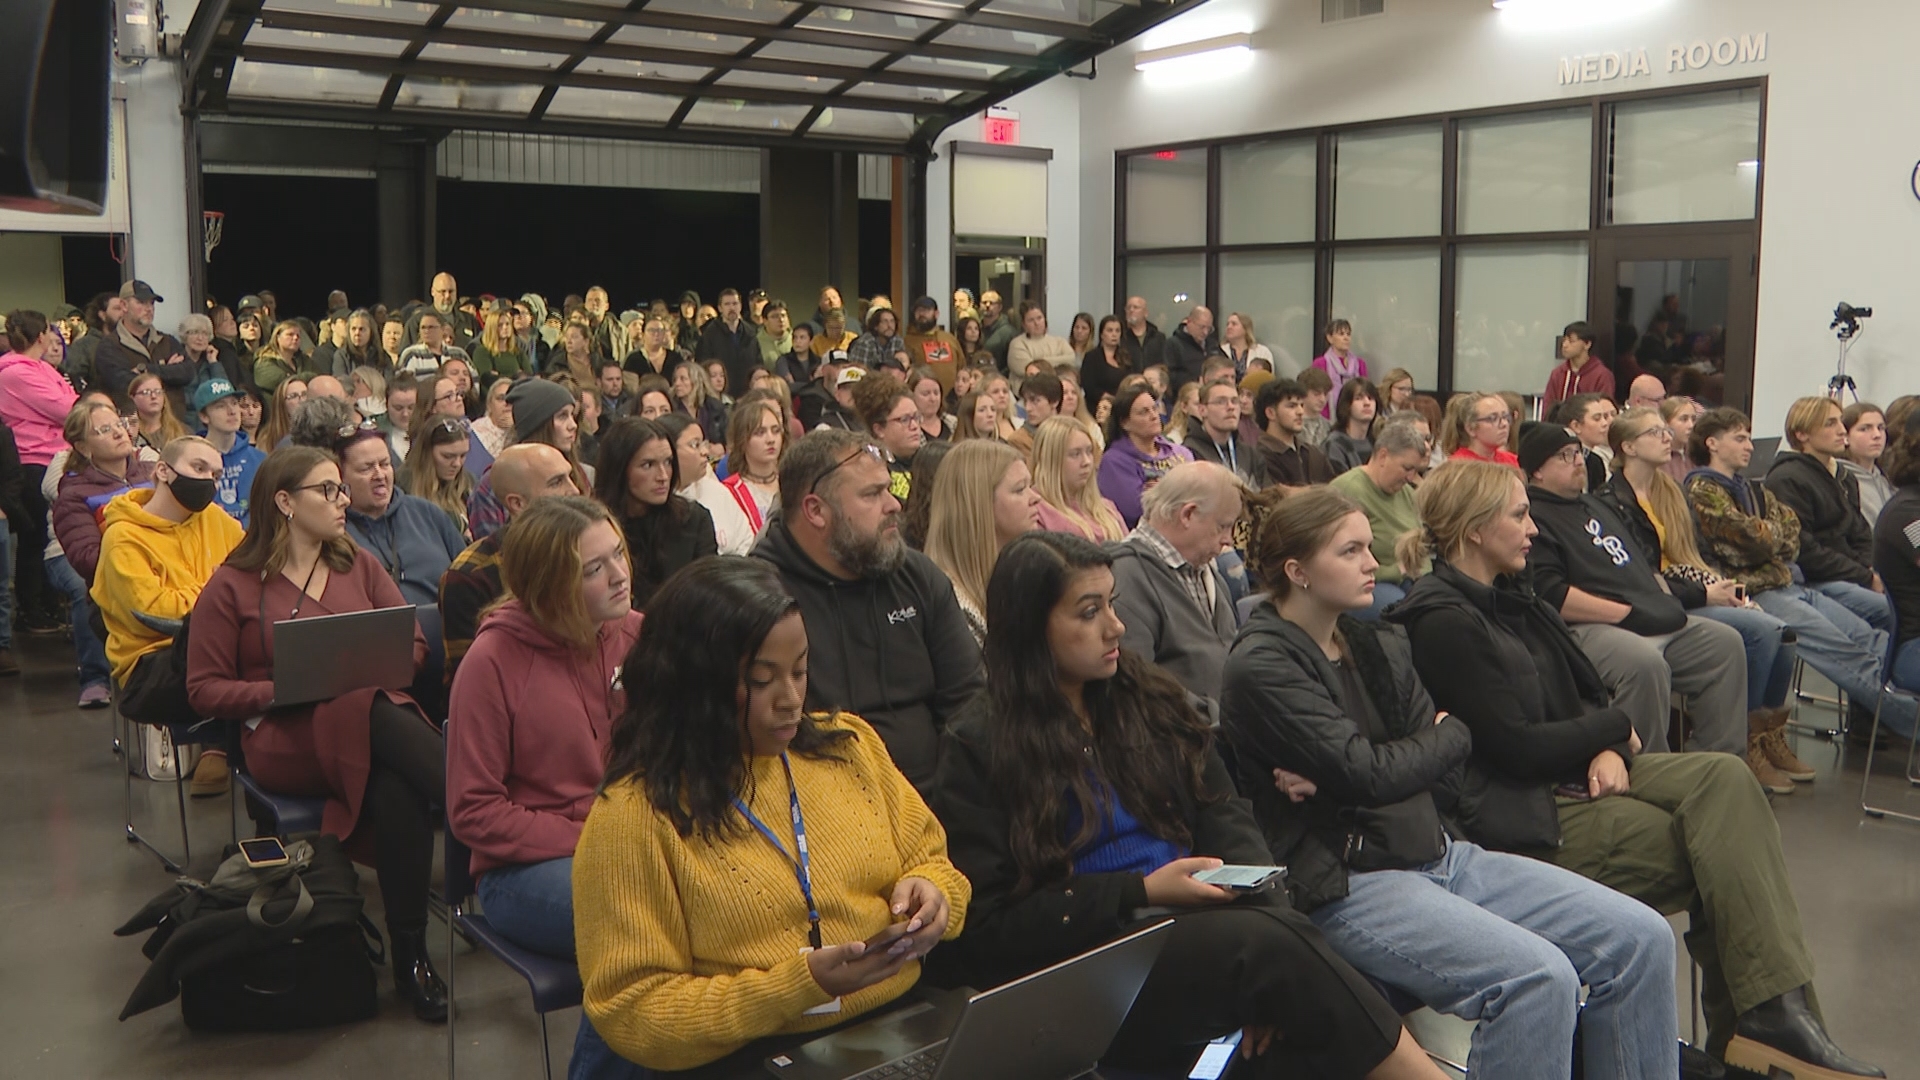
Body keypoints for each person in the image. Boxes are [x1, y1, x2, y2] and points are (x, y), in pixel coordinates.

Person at [1388, 459, 1886, 1079]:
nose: (1534, 530)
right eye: (1519, 515)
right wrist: (1609, 731)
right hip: (1524, 806)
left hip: (1577, 767)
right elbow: (1513, 748)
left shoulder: (1518, 595)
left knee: (1727, 781)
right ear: (1473, 529)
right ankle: (1756, 1035)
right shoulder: (1442, 619)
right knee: (1728, 861)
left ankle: (1768, 1022)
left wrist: (1607, 743)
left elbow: (1593, 691)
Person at [930, 531, 1442, 1080]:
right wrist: (1141, 891)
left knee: (1287, 1015)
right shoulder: (981, 742)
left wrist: (1270, 926)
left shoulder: (1146, 698)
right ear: (1031, 626)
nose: (1115, 627)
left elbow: (1225, 815)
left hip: (1204, 928)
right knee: (1274, 956)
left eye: (1113, 604)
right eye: (1088, 612)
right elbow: (988, 926)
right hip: (1092, 954)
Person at [1223, 487, 1681, 1079]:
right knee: (1537, 978)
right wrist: (1436, 738)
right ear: (1298, 572)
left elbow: (1419, 767)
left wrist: (1384, 761)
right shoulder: (1262, 662)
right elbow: (1378, 770)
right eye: (1352, 550)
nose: (1373, 562)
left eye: (1369, 546)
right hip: (1347, 880)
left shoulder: (1376, 640)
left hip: (1437, 849)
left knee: (1642, 938)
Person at [571, 555, 968, 1072]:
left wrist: (933, 894)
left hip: (899, 1023)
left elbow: (936, 861)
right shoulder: (635, 816)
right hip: (750, 1054)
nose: (792, 700)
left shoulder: (850, 747)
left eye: (800, 670)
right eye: (761, 681)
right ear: (694, 685)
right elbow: (634, 1012)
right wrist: (798, 987)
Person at [186, 446, 448, 1022]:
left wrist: (378, 665)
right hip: (288, 736)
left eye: (340, 489)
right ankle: (469, 800)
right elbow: (203, 689)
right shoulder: (231, 585)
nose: (343, 500)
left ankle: (411, 956)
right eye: (327, 490)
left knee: (396, 786)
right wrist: (280, 690)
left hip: (373, 724)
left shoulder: (359, 564)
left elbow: (415, 644)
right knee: (373, 710)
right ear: (284, 502)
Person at [753, 430, 983, 792]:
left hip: (939, 797)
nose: (894, 505)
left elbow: (968, 705)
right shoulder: (761, 597)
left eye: (888, 489)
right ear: (816, 511)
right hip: (824, 805)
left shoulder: (917, 576)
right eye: (872, 494)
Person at [1599, 407, 1807, 789]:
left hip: (1689, 584)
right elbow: (1638, 573)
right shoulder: (1609, 501)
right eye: (1655, 432)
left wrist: (1716, 584)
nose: (1667, 437)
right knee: (1760, 631)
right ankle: (1742, 741)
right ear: (1627, 445)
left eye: (1666, 430)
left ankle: (1760, 736)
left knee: (1784, 635)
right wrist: (1704, 591)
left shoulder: (1670, 492)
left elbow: (1696, 553)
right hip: (1663, 595)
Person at [1516, 422, 1748, 758]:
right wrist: (1627, 614)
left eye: (1578, 452)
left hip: (1646, 613)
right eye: (1565, 456)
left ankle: (1716, 763)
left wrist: (1665, 600)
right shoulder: (1534, 516)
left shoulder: (1596, 505)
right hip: (1586, 626)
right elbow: (1552, 595)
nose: (1578, 461)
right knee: (1643, 664)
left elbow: (1642, 565)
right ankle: (1649, 772)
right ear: (1537, 469)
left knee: (1724, 644)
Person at [1688, 408, 1913, 744]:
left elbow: (1789, 531)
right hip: (1756, 592)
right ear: (1712, 443)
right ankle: (1911, 722)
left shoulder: (1751, 488)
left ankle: (1895, 709)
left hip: (1788, 582)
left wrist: (1769, 538)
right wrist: (1770, 538)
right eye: (1739, 438)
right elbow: (1751, 539)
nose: (1750, 445)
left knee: (1870, 637)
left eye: (1749, 437)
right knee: (1845, 653)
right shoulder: (1702, 490)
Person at [92, 435, 241, 794]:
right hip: (150, 668)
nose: (208, 481)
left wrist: (209, 596)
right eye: (199, 468)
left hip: (215, 651)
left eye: (216, 475)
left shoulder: (215, 520)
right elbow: (151, 610)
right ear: (163, 471)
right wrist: (218, 591)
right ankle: (224, 747)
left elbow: (252, 574)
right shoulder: (122, 537)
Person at [437, 443, 582, 688]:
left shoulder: (593, 551)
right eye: (557, 482)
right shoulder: (470, 576)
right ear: (517, 503)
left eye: (571, 477)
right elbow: (474, 685)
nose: (575, 491)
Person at [1108, 462, 1241, 710]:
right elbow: (1136, 685)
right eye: (1222, 526)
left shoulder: (1206, 569)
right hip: (1182, 737)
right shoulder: (1125, 576)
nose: (1228, 540)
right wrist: (1211, 717)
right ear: (1187, 515)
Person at [1765, 396, 1895, 641]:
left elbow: (1860, 534)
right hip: (1816, 580)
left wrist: (1870, 568)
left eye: (1840, 422)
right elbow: (1805, 550)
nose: (1841, 430)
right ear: (1802, 434)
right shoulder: (1787, 479)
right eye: (1830, 423)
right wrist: (1865, 577)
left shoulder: (1843, 476)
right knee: (1894, 610)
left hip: (1853, 573)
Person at [51, 399, 152, 707]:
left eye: (120, 425)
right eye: (104, 430)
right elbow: (88, 559)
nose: (119, 433)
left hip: (173, 582)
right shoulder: (73, 496)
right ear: (82, 447)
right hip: (117, 597)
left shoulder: (155, 472)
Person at [0, 309, 80, 631]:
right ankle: (30, 610)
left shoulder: (42, 369)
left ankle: (48, 605)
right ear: (40, 337)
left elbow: (72, 405)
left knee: (51, 534)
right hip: (32, 459)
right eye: (49, 331)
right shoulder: (14, 373)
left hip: (56, 458)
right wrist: (69, 407)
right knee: (35, 537)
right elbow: (69, 409)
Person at [594, 417, 719, 611]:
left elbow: (709, 597)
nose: (663, 476)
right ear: (620, 469)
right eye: (647, 465)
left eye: (668, 462)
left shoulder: (693, 520)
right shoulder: (597, 529)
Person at [923, 440, 1041, 645]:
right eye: (1020, 489)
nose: (1035, 498)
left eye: (1030, 486)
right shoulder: (947, 606)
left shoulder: (1020, 576)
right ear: (980, 504)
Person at [337, 426, 467, 609]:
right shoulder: (334, 529)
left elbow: (470, 578)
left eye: (385, 464)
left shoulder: (427, 513)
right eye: (366, 468)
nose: (380, 475)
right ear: (341, 477)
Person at [1328, 419, 1429, 619]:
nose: (1411, 477)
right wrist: (1396, 571)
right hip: (1368, 583)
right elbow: (1338, 559)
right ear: (1383, 456)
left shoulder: (1407, 493)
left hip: (1412, 579)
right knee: (1401, 611)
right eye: (1406, 468)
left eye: (1415, 471)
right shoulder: (1347, 491)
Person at [466, 378, 590, 541]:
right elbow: (491, 552)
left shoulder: (576, 472)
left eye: (573, 416)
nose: (573, 425)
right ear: (539, 424)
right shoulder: (493, 485)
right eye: (562, 416)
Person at [1097, 379, 1195, 530]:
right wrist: (1179, 489)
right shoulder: (1114, 461)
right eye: (1144, 412)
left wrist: (1158, 489)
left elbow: (1200, 494)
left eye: (1154, 408)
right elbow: (1136, 510)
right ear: (1125, 423)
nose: (1153, 416)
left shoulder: (1180, 452)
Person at [1029, 416, 1126, 544]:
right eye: (1075, 454)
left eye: (1089, 451)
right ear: (1051, 460)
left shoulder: (1107, 508)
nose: (1087, 462)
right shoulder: (1035, 512)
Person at [192, 378, 265, 527]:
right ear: (204, 416)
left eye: (234, 403)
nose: (232, 411)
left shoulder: (260, 460)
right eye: (220, 406)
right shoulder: (191, 461)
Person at [93, 281, 183, 399]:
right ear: (124, 305)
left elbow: (187, 372)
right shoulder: (109, 346)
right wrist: (168, 371)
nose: (149, 308)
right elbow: (123, 382)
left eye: (151, 303)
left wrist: (145, 369)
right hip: (132, 415)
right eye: (141, 302)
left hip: (172, 416)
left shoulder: (168, 340)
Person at [721, 396, 787, 538]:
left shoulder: (792, 483)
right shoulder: (729, 491)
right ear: (742, 440)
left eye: (775, 431)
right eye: (760, 432)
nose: (771, 439)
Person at [1253, 377, 1334, 490]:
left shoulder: (1312, 453)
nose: (1300, 412)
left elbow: (1333, 492)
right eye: (1291, 406)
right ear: (1270, 413)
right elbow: (1276, 500)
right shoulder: (1259, 456)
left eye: (1301, 405)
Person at [851, 374, 922, 502]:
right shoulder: (869, 472)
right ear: (879, 429)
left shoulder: (927, 462)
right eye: (904, 419)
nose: (914, 426)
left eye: (916, 417)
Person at [403, 415, 475, 536]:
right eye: (447, 456)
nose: (457, 464)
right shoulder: (405, 484)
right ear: (427, 452)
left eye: (463, 456)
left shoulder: (469, 482)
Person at [697, 289, 762, 398]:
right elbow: (703, 366)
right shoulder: (709, 334)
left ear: (740, 306)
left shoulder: (750, 333)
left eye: (735, 303)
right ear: (720, 308)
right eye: (727, 304)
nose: (732, 308)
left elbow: (758, 363)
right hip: (720, 396)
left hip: (748, 395)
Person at [1840, 402, 1893, 528]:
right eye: (1864, 429)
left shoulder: (1887, 479)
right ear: (1845, 436)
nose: (1877, 435)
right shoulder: (1841, 481)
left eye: (1880, 428)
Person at [1542, 321, 1615, 411]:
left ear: (1587, 344)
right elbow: (1548, 406)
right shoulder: (1558, 373)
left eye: (1571, 341)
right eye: (1564, 340)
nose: (1564, 345)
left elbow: (1605, 409)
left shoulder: (1602, 375)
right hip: (1559, 424)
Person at [1557, 392, 1618, 492]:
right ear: (1576, 426)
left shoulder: (1596, 462)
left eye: (1604, 418)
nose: (1605, 423)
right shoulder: (1560, 459)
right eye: (1597, 418)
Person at [1441, 391, 1520, 467]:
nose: (1504, 424)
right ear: (1471, 429)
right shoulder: (1458, 466)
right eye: (1492, 418)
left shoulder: (1511, 460)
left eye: (1505, 417)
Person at [1325, 377, 1381, 476]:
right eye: (1358, 398)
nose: (1367, 403)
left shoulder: (1376, 442)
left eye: (1371, 398)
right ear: (1347, 405)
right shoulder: (1335, 444)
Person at [1311, 318, 1367, 417]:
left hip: (1354, 416)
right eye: (1341, 334)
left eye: (1348, 334)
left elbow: (1365, 391)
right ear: (1330, 338)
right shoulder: (1320, 363)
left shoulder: (1359, 364)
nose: (1346, 338)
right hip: (1328, 417)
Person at [128, 371, 190, 455]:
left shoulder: (183, 431)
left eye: (158, 391)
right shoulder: (129, 432)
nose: (153, 396)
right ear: (133, 398)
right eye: (146, 392)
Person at [1005, 302, 1074, 376]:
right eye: (1031, 320)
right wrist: (1057, 362)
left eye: (1039, 318)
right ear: (1024, 324)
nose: (1037, 323)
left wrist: (1038, 360)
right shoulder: (1017, 344)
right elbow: (1029, 369)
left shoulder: (1060, 342)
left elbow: (1071, 360)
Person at [400, 310, 473, 378]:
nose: (426, 331)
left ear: (442, 329)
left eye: (430, 327)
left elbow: (474, 378)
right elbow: (403, 385)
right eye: (423, 327)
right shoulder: (411, 354)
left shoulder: (459, 354)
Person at [468, 302, 527, 382]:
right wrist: (516, 376)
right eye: (500, 325)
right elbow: (488, 380)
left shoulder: (517, 351)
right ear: (492, 328)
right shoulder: (481, 352)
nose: (505, 327)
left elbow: (528, 376)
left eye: (507, 324)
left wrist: (500, 376)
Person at [847, 305, 905, 376]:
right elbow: (858, 371)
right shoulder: (865, 343)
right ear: (875, 326)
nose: (889, 325)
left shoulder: (898, 341)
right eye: (885, 322)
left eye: (892, 321)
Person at [257, 376, 307, 451]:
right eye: (293, 396)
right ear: (281, 403)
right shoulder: (267, 439)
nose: (302, 400)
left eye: (304, 394)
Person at [1219, 312, 1273, 382]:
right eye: (1227, 324)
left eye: (1234, 324)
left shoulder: (1262, 352)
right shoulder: (1219, 350)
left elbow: (1268, 378)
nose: (1229, 327)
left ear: (1245, 328)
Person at [470, 376, 514, 458]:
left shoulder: (523, 428)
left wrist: (513, 429)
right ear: (489, 405)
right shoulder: (475, 431)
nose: (507, 403)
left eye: (511, 398)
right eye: (501, 398)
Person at [1660, 395, 1701, 484]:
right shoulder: (1658, 458)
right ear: (1666, 423)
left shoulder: (1697, 453)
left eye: (1693, 419)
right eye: (1684, 419)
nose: (1691, 425)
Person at [975, 290, 1016, 369]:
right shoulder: (975, 329)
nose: (987, 305)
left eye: (992, 303)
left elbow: (1011, 364)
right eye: (984, 302)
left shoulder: (1008, 332)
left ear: (1000, 307)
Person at [1297, 366, 1334, 447]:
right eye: (1316, 394)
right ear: (1302, 393)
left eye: (1325, 394)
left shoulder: (1330, 427)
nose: (1323, 399)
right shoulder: (1291, 425)